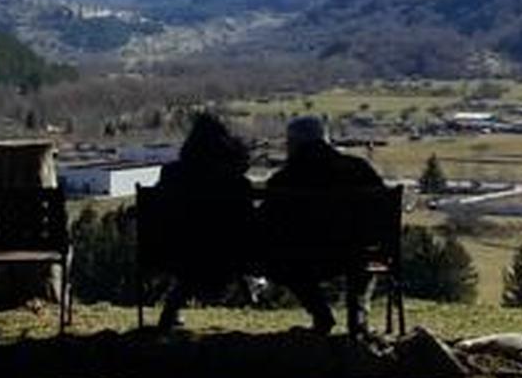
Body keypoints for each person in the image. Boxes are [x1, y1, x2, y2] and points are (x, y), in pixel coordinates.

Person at [264, 115, 386, 335]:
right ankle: (357, 319)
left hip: (305, 259)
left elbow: (268, 224)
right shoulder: (358, 169)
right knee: (367, 255)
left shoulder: (284, 179)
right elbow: (381, 215)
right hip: (359, 255)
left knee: (279, 262)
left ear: (293, 144)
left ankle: (321, 314)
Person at [152, 113, 256, 330]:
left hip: (174, 251)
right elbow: (248, 221)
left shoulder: (171, 174)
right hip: (227, 252)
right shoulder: (235, 181)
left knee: (194, 256)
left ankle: (171, 313)